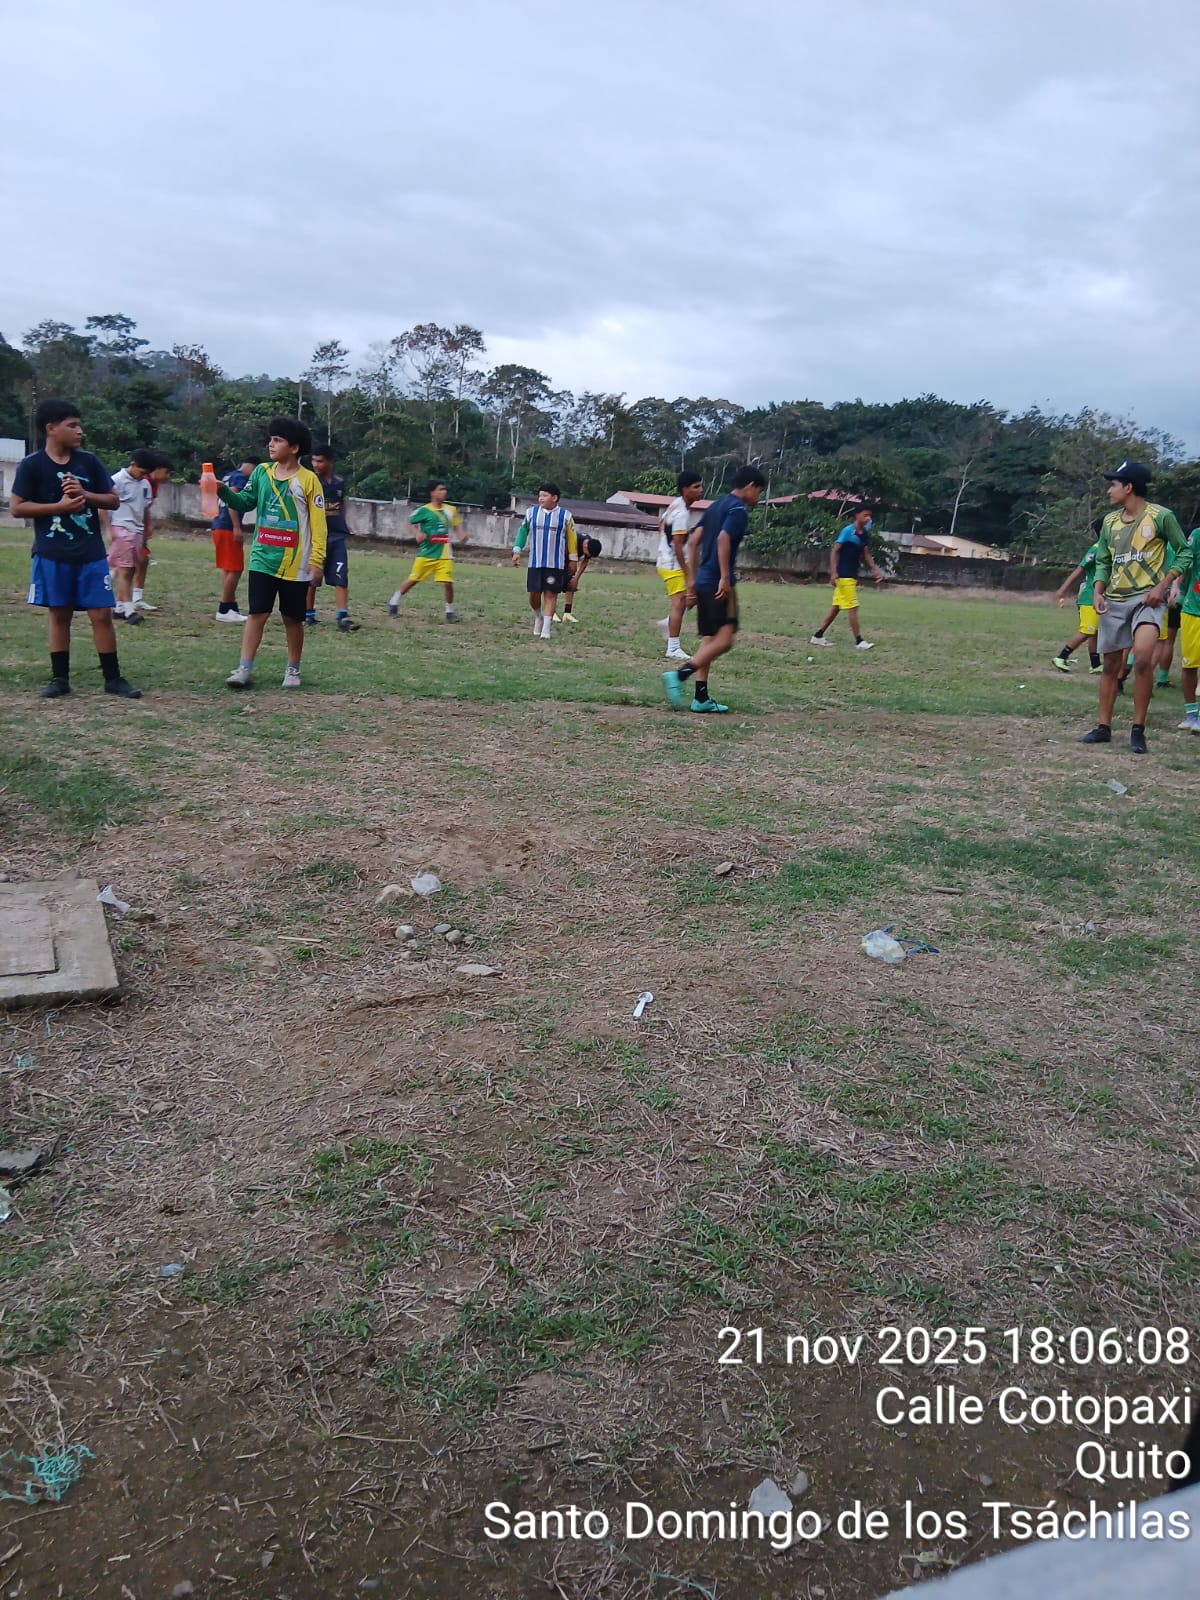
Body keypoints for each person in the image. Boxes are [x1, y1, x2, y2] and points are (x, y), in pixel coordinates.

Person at [11, 398, 140, 699]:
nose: (80, 431)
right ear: (51, 429)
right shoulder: (32, 465)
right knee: (59, 614)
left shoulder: (89, 462)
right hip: (51, 553)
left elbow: (113, 500)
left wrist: (85, 494)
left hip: (90, 553)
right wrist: (60, 507)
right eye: (72, 425)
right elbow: (17, 507)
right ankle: (60, 679)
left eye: (79, 425)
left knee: (102, 614)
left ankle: (113, 678)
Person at [1081, 460, 1189, 754]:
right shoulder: (1109, 522)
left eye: (1113, 485)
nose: (1108, 491)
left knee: (1142, 658)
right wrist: (1098, 591)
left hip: (1147, 599)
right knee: (1110, 666)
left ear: (1129, 487)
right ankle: (1103, 727)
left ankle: (1138, 729)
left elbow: (1185, 552)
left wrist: (1163, 585)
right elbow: (1103, 561)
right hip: (1114, 599)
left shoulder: (1161, 517)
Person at [215, 418, 327, 690]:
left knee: (292, 618)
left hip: (295, 563)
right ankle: (244, 669)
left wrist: (317, 560)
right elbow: (245, 502)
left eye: (278, 440)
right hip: (262, 558)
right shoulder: (262, 472)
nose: (271, 444)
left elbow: (318, 525)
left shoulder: (309, 481)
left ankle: (293, 669)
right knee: (257, 613)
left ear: (294, 447)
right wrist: (223, 491)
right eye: (271, 439)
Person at [662, 464, 766, 712]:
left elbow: (694, 541)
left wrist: (694, 577)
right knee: (725, 639)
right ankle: (679, 675)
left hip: (705, 580)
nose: (758, 498)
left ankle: (700, 698)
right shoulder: (738, 509)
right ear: (750, 486)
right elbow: (723, 538)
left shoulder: (717, 505)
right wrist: (724, 577)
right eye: (759, 492)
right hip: (719, 583)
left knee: (710, 638)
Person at [809, 506, 885, 649]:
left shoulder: (864, 534)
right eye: (865, 515)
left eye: (870, 515)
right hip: (844, 576)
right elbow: (835, 551)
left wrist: (875, 570)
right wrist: (834, 572)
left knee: (836, 608)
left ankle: (818, 636)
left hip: (851, 575)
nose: (868, 518)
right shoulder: (847, 531)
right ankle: (859, 641)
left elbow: (866, 554)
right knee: (853, 607)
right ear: (857, 515)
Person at [388, 479, 464, 622]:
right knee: (413, 579)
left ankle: (450, 612)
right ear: (432, 493)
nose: (444, 492)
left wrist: (462, 536)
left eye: (444, 489)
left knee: (448, 582)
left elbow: (456, 527)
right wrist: (417, 533)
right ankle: (394, 601)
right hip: (427, 552)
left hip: (445, 553)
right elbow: (409, 522)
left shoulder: (451, 510)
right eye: (441, 489)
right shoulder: (424, 510)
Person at [511, 483, 578, 640]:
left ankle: (546, 629)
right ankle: (538, 616)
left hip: (555, 564)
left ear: (554, 498)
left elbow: (572, 538)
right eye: (539, 495)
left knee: (550, 594)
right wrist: (517, 550)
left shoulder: (565, 516)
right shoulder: (531, 513)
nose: (540, 498)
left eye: (544, 496)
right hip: (535, 562)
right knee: (533, 595)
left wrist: (573, 559)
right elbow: (523, 531)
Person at [305, 445, 359, 631]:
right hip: (316, 538)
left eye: (320, 461)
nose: (315, 464)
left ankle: (343, 617)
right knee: (312, 577)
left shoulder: (339, 482)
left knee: (341, 575)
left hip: (337, 537)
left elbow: (341, 503)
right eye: (313, 460)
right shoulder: (311, 482)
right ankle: (308, 615)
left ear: (330, 462)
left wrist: (346, 523)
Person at [655, 471, 704, 661]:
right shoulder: (682, 513)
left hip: (668, 560)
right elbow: (677, 546)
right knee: (679, 603)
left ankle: (669, 622)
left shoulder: (676, 504)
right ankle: (673, 647)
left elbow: (661, 523)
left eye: (700, 486)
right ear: (685, 489)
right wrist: (688, 574)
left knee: (695, 595)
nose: (701, 490)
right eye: (696, 487)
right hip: (672, 564)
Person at [105, 448, 157, 624]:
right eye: (142, 472)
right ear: (132, 464)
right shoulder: (117, 480)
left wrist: (147, 525)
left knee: (132, 567)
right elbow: (103, 506)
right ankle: (129, 610)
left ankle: (119, 607)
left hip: (137, 530)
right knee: (125, 570)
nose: (143, 476)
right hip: (122, 528)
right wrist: (109, 529)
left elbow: (145, 507)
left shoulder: (144, 484)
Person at [1052, 520, 1103, 674]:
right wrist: (1062, 590)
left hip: (1100, 598)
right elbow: (1079, 569)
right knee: (1087, 630)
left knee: (1095, 632)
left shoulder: (1111, 549)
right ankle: (1061, 657)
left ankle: (1095, 665)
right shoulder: (1096, 549)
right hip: (1089, 598)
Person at [212, 459, 256, 621]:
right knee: (236, 569)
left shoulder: (228, 475)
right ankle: (224, 608)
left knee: (228, 568)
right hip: (228, 526)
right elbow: (232, 501)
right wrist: (237, 526)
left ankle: (231, 607)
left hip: (218, 523)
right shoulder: (240, 478)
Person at [1171, 523, 1200, 733]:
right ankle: (1191, 714)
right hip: (1193, 610)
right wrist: (1175, 585)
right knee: (1189, 665)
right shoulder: (1197, 535)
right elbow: (1185, 562)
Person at [559, 536, 602, 622]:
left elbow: (585, 561)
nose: (588, 556)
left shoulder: (590, 544)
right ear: (585, 546)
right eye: (588, 554)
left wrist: (576, 579)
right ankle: (552, 612)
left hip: (571, 560)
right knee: (555, 584)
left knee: (571, 584)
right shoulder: (574, 540)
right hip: (560, 557)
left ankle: (567, 614)